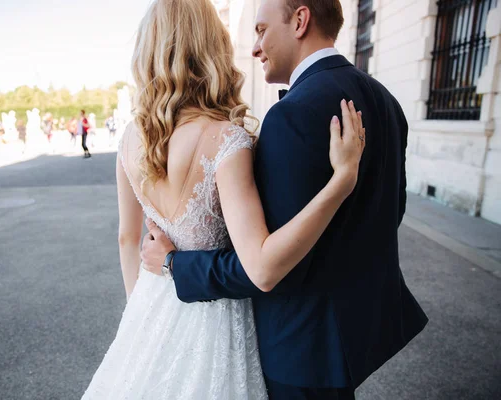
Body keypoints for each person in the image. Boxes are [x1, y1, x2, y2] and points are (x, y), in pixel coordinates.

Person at [141, 1, 429, 399]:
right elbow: (389, 212)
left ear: (299, 20)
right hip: (357, 330)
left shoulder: (292, 115)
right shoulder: (385, 101)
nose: (256, 47)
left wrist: (175, 264)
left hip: (303, 345)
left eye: (260, 30)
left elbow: (266, 264)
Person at [80, 1, 365, 399]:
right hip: (218, 321)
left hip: (150, 305)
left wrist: (139, 318)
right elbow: (261, 263)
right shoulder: (227, 139)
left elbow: (128, 239)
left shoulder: (131, 137)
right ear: (212, 48)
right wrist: (342, 180)